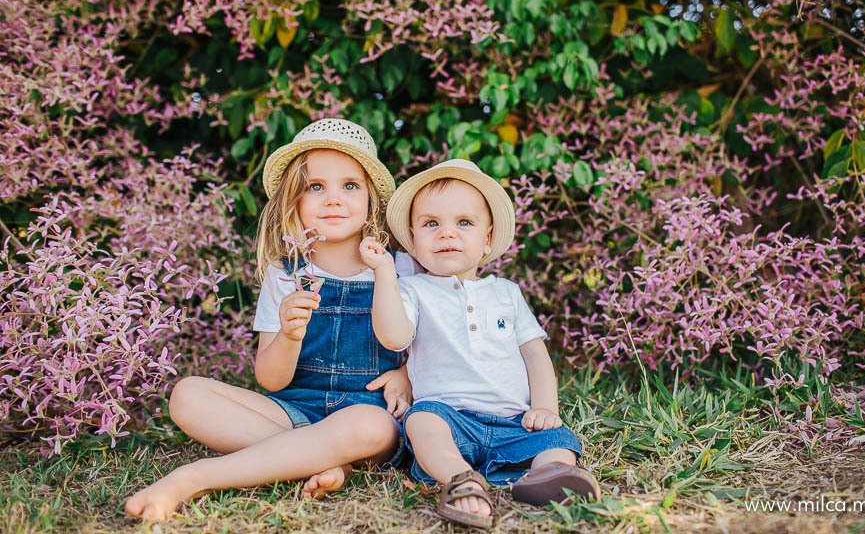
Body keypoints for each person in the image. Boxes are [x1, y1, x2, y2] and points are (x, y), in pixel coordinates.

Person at [125, 119, 418, 521]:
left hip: (369, 414)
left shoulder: (401, 268)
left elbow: (430, 346)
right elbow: (272, 380)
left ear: (372, 199)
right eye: (316, 187)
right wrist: (289, 335)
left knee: (369, 426)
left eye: (350, 186)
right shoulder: (285, 274)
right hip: (295, 409)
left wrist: (408, 376)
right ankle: (318, 459)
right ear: (294, 200)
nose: (334, 199)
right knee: (187, 394)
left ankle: (195, 477)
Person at [358, 159, 599, 529]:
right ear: (413, 238)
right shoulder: (413, 290)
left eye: (464, 223)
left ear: (487, 240)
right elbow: (394, 336)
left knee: (558, 438)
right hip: (449, 419)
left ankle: (548, 474)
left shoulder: (506, 292)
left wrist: (545, 406)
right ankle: (460, 478)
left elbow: (534, 353)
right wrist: (384, 273)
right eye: (431, 224)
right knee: (421, 421)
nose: (447, 234)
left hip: (515, 421)